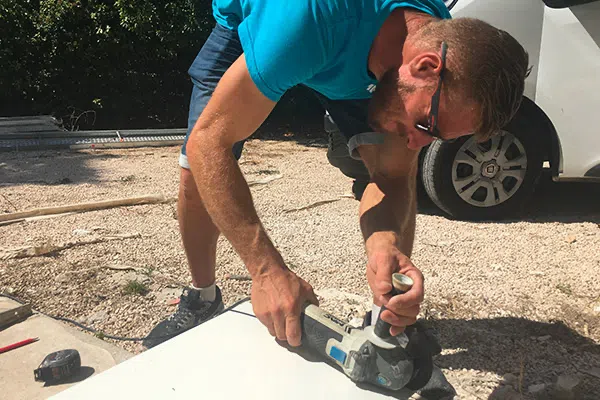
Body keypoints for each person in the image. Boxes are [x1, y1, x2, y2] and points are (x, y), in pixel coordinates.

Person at [145, 0, 529, 349]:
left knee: (398, 170)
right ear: (426, 66)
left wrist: (386, 247)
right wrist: (265, 271)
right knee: (196, 169)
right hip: (270, 22)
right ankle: (202, 297)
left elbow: (393, 179)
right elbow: (207, 144)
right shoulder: (307, 20)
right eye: (427, 125)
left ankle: (389, 325)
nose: (417, 143)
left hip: (353, 53)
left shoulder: (432, 37)